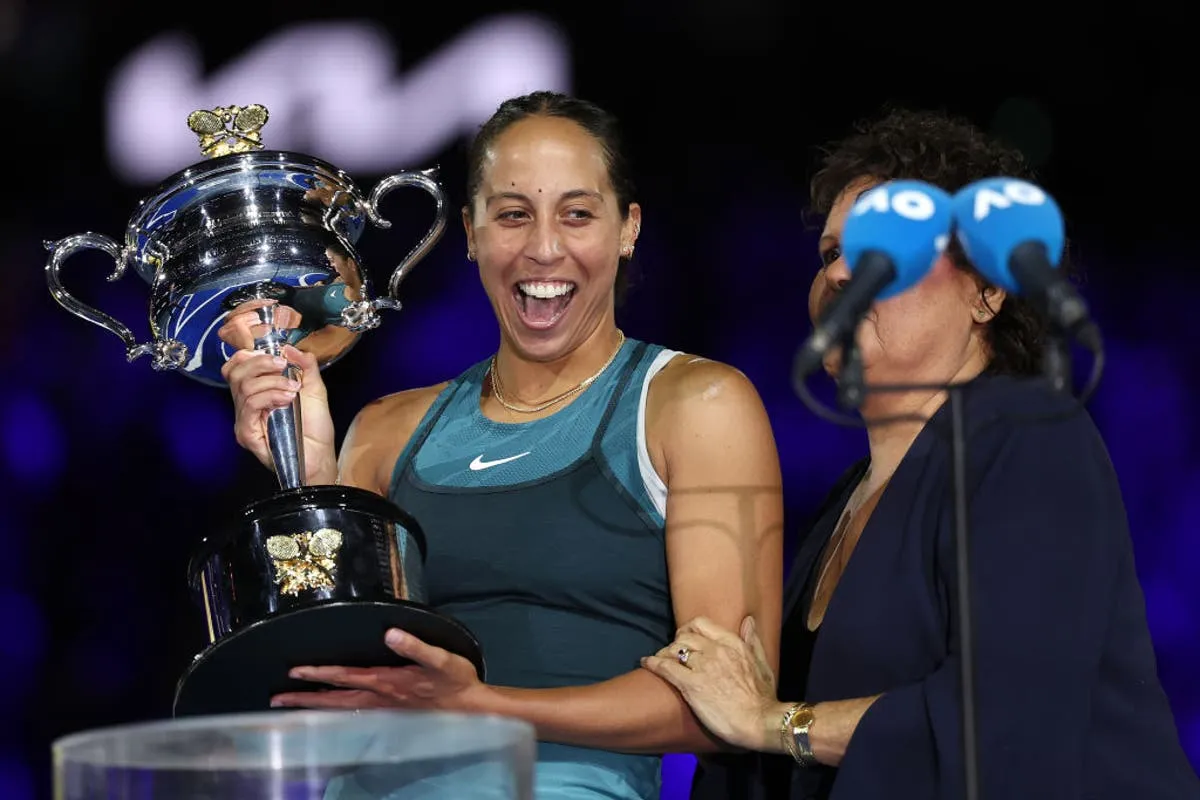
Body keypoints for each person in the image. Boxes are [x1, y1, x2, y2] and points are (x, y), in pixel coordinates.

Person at [217, 90, 785, 800]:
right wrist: (304, 481)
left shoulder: (695, 404)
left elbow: (735, 701)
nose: (544, 247)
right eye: (513, 214)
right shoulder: (386, 428)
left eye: (577, 214)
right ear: (471, 232)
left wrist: (483, 705)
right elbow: (334, 677)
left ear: (627, 228)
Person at [641, 107, 1200, 799]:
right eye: (829, 254)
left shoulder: (1030, 437)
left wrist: (776, 722)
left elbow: (1007, 722)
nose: (844, 272)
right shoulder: (844, 505)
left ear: (988, 289)